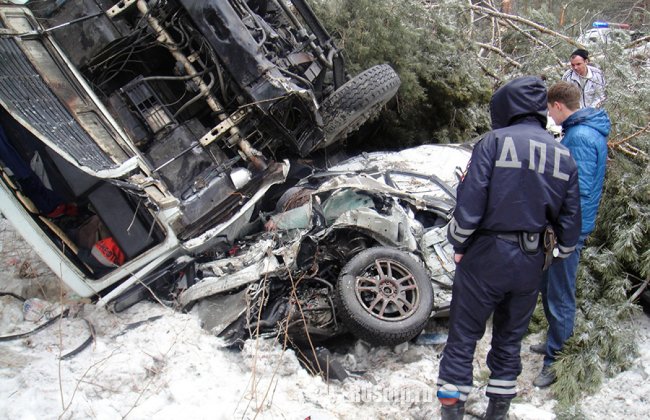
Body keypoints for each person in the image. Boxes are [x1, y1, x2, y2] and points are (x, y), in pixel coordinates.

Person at [435, 76, 582, 420]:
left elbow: (470, 203)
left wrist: (459, 242)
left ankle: (452, 411)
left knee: (462, 338)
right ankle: (497, 412)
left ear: (505, 107)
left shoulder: (492, 143)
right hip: (530, 263)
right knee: (508, 339)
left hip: (486, 257)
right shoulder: (563, 155)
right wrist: (559, 253)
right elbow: (570, 218)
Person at [532, 81, 611, 388]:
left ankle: (557, 359)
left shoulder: (579, 137)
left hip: (568, 231)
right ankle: (554, 341)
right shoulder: (582, 132)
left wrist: (563, 233)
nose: (550, 117)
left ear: (558, 106)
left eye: (550, 110)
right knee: (551, 289)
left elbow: (578, 190)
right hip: (569, 227)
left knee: (559, 295)